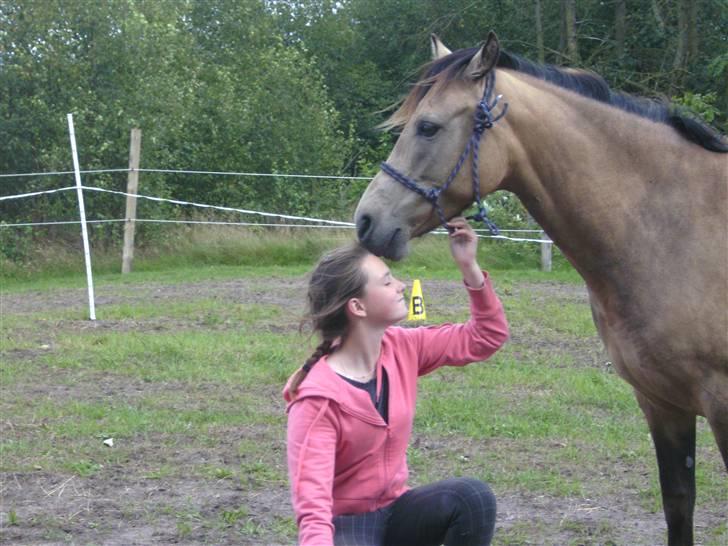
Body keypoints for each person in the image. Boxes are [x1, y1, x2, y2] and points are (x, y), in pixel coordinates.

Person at [283, 217, 509, 546]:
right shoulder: (317, 401)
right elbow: (313, 508)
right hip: (348, 526)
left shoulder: (403, 348)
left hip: (397, 512)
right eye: (387, 282)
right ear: (357, 307)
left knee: (472, 497)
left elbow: (486, 337)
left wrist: (469, 266)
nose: (401, 285)